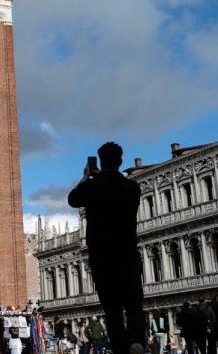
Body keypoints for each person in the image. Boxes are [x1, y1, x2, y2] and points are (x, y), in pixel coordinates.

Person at [68, 142, 146, 354]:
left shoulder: (93, 186)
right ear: (120, 162)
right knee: (134, 306)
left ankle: (120, 349)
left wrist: (87, 177)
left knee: (112, 310)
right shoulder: (132, 187)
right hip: (127, 252)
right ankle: (137, 341)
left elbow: (72, 199)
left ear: (100, 161)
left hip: (102, 257)